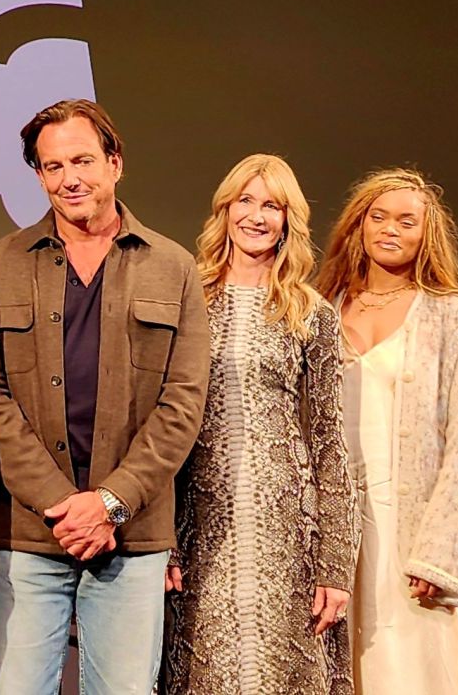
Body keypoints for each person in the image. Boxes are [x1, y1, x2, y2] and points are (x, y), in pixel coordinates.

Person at [0, 99, 210, 695]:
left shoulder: (174, 267)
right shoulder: (0, 264)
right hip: (31, 533)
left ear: (115, 163)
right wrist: (62, 504)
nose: (69, 179)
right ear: (39, 176)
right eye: (53, 167)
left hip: (132, 536)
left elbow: (183, 403)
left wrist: (109, 503)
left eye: (82, 161)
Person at [165, 154, 358, 695]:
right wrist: (163, 541)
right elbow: (160, 426)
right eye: (245, 201)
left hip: (288, 529)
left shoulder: (311, 313)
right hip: (201, 524)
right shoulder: (187, 298)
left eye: (271, 205)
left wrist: (335, 566)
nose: (256, 216)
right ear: (224, 211)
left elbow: (329, 442)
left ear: (288, 219)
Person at [317, 167, 458, 694]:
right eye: (379, 217)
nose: (390, 229)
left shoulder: (451, 314)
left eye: (406, 221)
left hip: (413, 529)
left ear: (426, 234)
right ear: (359, 225)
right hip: (336, 528)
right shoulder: (320, 309)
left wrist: (441, 551)